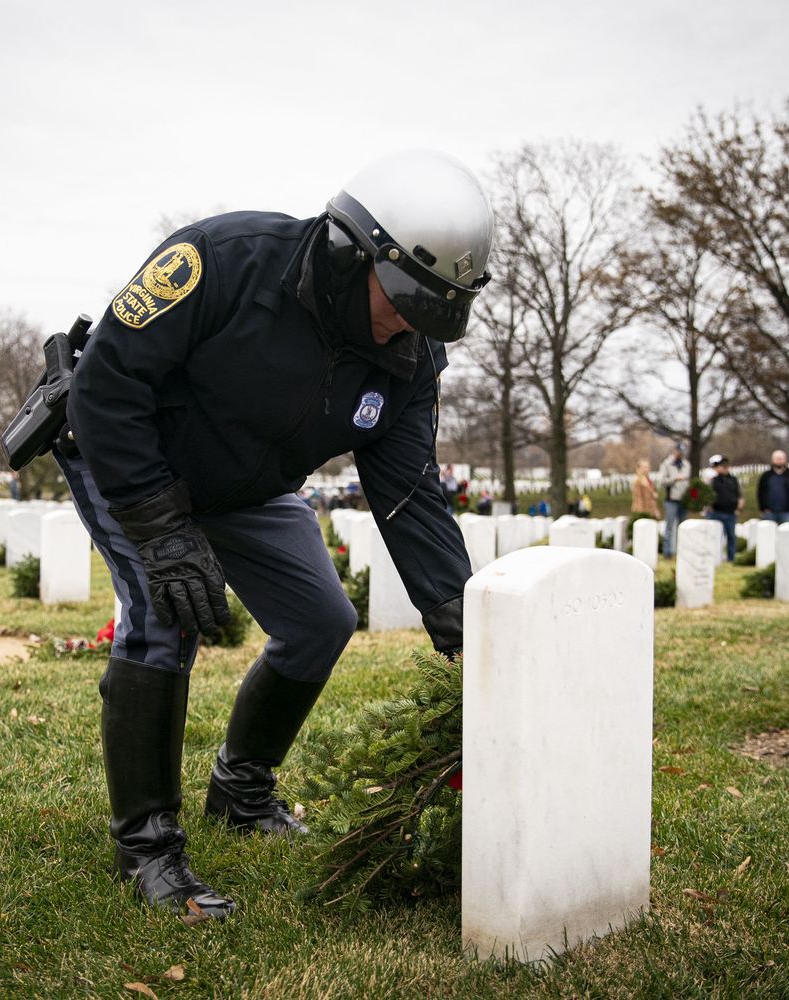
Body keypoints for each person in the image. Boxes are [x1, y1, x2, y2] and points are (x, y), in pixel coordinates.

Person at [59, 150, 492, 921]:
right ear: (351, 250)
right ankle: (147, 848)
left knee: (322, 619)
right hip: (132, 460)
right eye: (401, 299)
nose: (408, 323)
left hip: (247, 488)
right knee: (163, 612)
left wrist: (461, 623)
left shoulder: (411, 359)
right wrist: (161, 531)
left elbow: (410, 494)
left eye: (430, 311)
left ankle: (241, 790)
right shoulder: (220, 260)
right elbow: (106, 386)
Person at [704, 455, 745, 561]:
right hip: (716, 512)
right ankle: (712, 557)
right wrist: (710, 508)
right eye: (722, 466)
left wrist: (738, 508)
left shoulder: (734, 480)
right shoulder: (713, 480)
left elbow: (740, 495)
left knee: (731, 537)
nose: (724, 468)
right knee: (714, 536)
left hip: (730, 512)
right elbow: (707, 495)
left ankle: (731, 558)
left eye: (726, 466)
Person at [655, 443, 691, 557]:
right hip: (671, 499)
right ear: (674, 451)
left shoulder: (686, 465)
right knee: (669, 526)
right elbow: (662, 481)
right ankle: (667, 552)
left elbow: (688, 482)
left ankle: (682, 552)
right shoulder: (667, 464)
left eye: (683, 452)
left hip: (684, 500)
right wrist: (674, 479)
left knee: (682, 527)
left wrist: (692, 496)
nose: (681, 454)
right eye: (679, 451)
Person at [756, 450, 789, 523]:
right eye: (777, 459)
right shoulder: (766, 476)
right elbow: (760, 493)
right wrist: (763, 508)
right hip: (769, 513)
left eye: (781, 459)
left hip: (788, 512)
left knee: (788, 529)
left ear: (785, 460)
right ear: (772, 460)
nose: (779, 461)